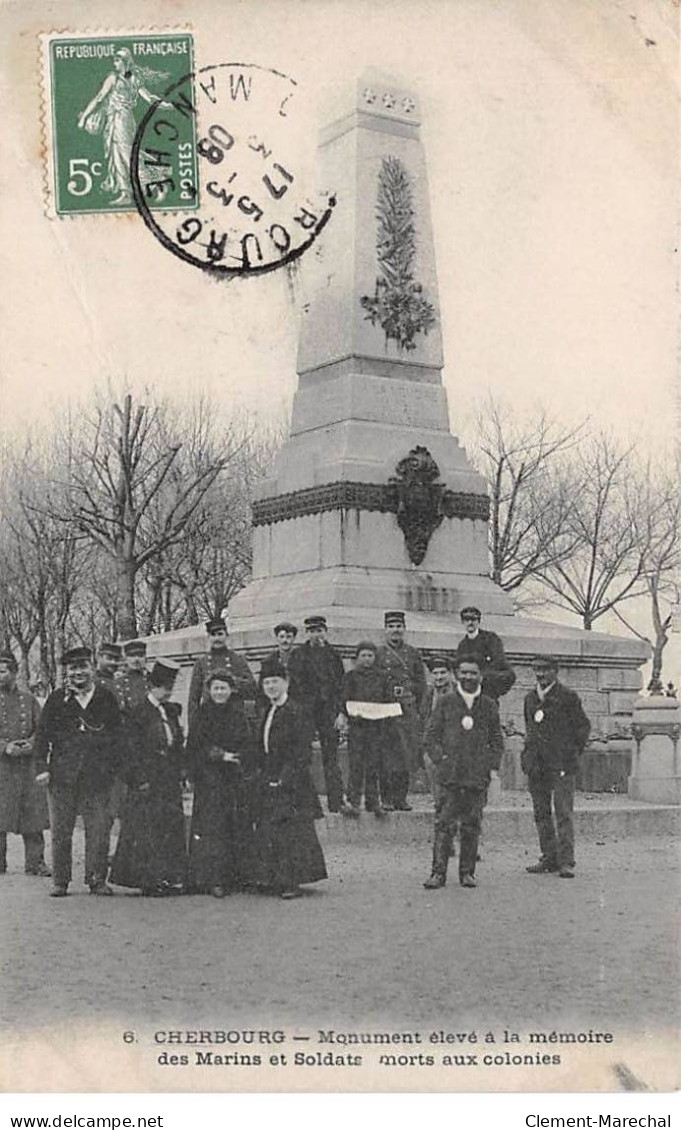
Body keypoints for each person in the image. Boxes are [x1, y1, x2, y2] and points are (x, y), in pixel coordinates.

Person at [33, 645, 122, 897]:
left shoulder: (105, 697)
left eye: (83, 666)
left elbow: (118, 737)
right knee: (61, 831)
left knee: (99, 830)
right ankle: (60, 881)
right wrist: (42, 768)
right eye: (73, 668)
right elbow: (42, 738)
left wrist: (113, 769)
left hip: (97, 777)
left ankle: (96, 879)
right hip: (62, 777)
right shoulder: (56, 700)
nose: (78, 673)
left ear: (92, 668)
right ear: (66, 671)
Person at [423, 657, 504, 890]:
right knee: (444, 824)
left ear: (481, 676)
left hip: (476, 777)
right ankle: (438, 873)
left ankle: (467, 872)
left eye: (473, 673)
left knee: (472, 824)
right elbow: (430, 737)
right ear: (458, 675)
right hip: (450, 776)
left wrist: (490, 766)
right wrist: (442, 759)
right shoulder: (447, 702)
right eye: (464, 673)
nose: (468, 677)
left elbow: (496, 741)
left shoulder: (488, 705)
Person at [110, 659, 188, 897]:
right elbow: (127, 751)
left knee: (170, 826)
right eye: (164, 686)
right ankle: (149, 879)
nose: (168, 690)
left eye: (171, 686)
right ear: (152, 687)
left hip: (168, 780)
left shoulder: (170, 711)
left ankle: (169, 876)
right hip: (147, 781)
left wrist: (181, 772)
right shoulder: (137, 713)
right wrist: (138, 779)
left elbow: (176, 744)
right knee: (147, 830)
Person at [252, 656, 327, 899]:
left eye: (275, 682)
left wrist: (284, 778)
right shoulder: (267, 710)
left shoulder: (296, 711)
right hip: (269, 777)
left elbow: (301, 751)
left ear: (286, 683)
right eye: (266, 683)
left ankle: (291, 881)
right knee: (270, 830)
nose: (270, 687)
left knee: (292, 833)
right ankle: (272, 878)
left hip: (292, 781)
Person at [186, 670, 256, 898]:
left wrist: (240, 756)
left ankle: (236, 876)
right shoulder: (202, 714)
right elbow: (196, 744)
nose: (219, 692)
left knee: (234, 824)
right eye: (215, 688)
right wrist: (220, 755)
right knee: (211, 827)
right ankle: (211, 878)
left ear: (231, 690)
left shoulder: (238, 714)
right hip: (210, 778)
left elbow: (247, 740)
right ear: (209, 691)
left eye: (223, 688)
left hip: (233, 777)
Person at [522, 656, 591, 880]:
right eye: (536, 670)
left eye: (544, 670)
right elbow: (530, 729)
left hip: (561, 764)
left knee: (563, 813)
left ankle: (566, 861)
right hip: (537, 765)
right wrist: (528, 758)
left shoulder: (568, 697)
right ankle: (548, 857)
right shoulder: (530, 698)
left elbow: (582, 728)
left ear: (555, 671)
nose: (540, 674)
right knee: (541, 813)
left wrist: (570, 757)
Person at [77, 48, 171, 206]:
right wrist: (85, 115)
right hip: (115, 119)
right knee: (118, 155)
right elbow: (100, 98)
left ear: (126, 61)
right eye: (114, 60)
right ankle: (126, 192)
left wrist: (166, 106)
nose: (115, 63)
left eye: (118, 60)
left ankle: (159, 181)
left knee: (127, 155)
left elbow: (148, 97)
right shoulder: (118, 77)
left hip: (122, 119)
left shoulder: (124, 78)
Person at [288, 616, 350, 814]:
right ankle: (306, 803)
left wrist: (341, 712)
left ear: (325, 631)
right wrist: (298, 714)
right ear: (307, 633)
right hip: (305, 713)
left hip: (329, 712)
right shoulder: (298, 655)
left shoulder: (333, 655)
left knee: (331, 758)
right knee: (302, 758)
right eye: (312, 631)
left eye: (319, 630)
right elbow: (294, 688)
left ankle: (336, 801)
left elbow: (342, 686)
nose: (316, 635)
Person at [0, 651, 50, 877]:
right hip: (2, 766)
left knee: (33, 814)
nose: (0, 676)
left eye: (3, 671)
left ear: (14, 672)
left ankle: (36, 862)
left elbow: (42, 729)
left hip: (26, 766)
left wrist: (32, 744)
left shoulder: (29, 700)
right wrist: (4, 747)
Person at [375, 611, 428, 810]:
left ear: (404, 629)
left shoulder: (413, 653)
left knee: (406, 753)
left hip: (407, 710)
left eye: (399, 626)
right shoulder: (378, 654)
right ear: (385, 630)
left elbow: (421, 683)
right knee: (387, 755)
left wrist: (419, 709)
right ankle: (386, 798)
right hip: (386, 710)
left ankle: (401, 797)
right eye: (391, 626)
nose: (395, 630)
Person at [340, 641, 398, 818]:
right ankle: (353, 801)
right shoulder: (350, 677)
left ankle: (373, 802)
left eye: (370, 655)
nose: (367, 659)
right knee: (356, 764)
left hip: (377, 728)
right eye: (363, 655)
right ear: (357, 658)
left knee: (374, 764)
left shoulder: (382, 678)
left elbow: (389, 700)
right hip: (358, 727)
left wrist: (387, 714)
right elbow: (344, 699)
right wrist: (348, 714)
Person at [188, 618, 258, 724]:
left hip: (234, 717)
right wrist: (193, 725)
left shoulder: (237, 660)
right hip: (209, 718)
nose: (217, 638)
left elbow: (252, 688)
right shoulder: (201, 663)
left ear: (226, 636)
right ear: (208, 638)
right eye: (213, 635)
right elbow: (193, 698)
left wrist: (232, 682)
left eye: (220, 634)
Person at [455, 607, 516, 702]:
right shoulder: (462, 645)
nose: (470, 623)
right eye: (467, 620)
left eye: (474, 620)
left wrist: (483, 676)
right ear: (463, 622)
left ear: (478, 622)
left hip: (488, 688)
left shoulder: (490, 639)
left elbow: (499, 661)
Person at [422, 655, 455, 802]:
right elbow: (424, 718)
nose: (439, 677)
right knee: (432, 768)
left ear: (450, 673)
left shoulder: (458, 693)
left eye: (443, 673)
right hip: (435, 745)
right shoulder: (429, 694)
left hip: (454, 745)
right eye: (435, 673)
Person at [114, 640, 150, 715]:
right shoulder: (119, 683)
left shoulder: (153, 680)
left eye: (140, 655)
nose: (136, 659)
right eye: (132, 655)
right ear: (126, 659)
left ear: (145, 658)